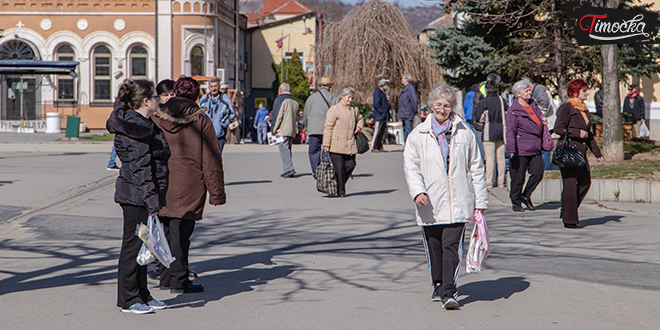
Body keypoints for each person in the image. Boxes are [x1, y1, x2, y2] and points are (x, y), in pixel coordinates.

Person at [403, 85, 488, 310]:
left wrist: (481, 202)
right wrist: (417, 191)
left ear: (452, 108)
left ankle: (449, 291)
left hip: (459, 199)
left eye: (447, 105)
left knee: (452, 246)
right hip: (429, 201)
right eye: (438, 104)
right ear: (431, 106)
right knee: (435, 246)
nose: (442, 108)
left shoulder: (465, 131)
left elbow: (476, 167)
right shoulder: (417, 134)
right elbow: (411, 167)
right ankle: (438, 282)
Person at [152, 83, 226, 294]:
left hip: (161, 182)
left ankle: (166, 277)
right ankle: (179, 280)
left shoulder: (157, 117)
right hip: (190, 184)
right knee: (181, 235)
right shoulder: (201, 119)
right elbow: (211, 158)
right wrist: (217, 193)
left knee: (165, 231)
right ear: (196, 96)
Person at [106, 79, 169, 314]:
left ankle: (142, 293)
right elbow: (141, 168)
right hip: (135, 195)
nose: (159, 100)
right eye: (156, 96)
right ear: (146, 101)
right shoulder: (136, 128)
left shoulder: (141, 124)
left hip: (140, 194)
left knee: (145, 245)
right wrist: (152, 201)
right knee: (133, 247)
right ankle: (129, 299)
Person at [553, 78, 603, 229]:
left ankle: (567, 208)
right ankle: (570, 219)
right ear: (575, 92)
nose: (587, 93)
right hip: (568, 151)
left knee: (585, 182)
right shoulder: (566, 108)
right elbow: (558, 129)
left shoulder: (584, 110)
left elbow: (589, 134)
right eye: (584, 91)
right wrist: (576, 133)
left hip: (581, 152)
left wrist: (597, 153)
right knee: (569, 184)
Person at [506, 78, 547, 212]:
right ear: (518, 93)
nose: (530, 92)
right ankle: (516, 201)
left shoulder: (533, 105)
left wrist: (543, 120)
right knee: (518, 177)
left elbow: (537, 120)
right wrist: (511, 148)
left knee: (538, 172)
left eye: (530, 90)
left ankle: (525, 195)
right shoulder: (514, 110)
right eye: (526, 90)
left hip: (535, 146)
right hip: (520, 148)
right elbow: (510, 131)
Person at [322, 87, 364, 197]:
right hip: (336, 145)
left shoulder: (354, 110)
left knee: (351, 165)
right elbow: (328, 127)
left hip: (350, 144)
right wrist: (326, 144)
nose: (350, 100)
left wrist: (359, 127)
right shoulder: (334, 109)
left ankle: (337, 184)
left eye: (352, 98)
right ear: (342, 96)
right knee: (339, 168)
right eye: (348, 97)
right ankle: (341, 191)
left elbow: (360, 118)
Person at [473, 73, 507, 188]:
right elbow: (506, 114)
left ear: (486, 89)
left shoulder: (483, 102)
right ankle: (501, 182)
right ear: (497, 88)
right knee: (501, 159)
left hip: (488, 132)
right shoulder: (501, 100)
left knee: (490, 158)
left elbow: (478, 118)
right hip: (501, 132)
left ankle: (489, 182)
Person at [303, 76, 339, 177]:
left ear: (319, 87)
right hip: (328, 128)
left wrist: (306, 127)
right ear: (330, 87)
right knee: (328, 149)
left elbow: (306, 114)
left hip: (313, 127)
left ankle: (316, 171)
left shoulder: (311, 98)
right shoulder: (333, 98)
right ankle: (327, 169)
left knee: (314, 150)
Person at [200, 78, 234, 154]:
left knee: (217, 158)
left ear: (219, 87)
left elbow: (231, 113)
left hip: (219, 134)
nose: (213, 88)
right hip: (206, 134)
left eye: (215, 86)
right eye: (211, 86)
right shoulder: (204, 99)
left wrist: (223, 124)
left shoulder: (224, 98)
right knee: (206, 158)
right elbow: (199, 114)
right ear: (209, 88)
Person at [272, 83, 299, 178]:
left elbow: (277, 116)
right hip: (291, 129)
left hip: (282, 129)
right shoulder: (295, 102)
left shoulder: (279, 100)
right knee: (288, 149)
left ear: (280, 90)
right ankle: (288, 169)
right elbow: (296, 118)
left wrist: (273, 129)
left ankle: (289, 169)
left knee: (284, 149)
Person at [371, 77, 389, 152]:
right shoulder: (377, 92)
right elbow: (376, 104)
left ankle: (379, 146)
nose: (386, 85)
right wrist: (381, 111)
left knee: (381, 132)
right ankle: (374, 146)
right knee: (377, 131)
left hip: (383, 116)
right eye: (385, 84)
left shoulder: (382, 93)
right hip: (379, 116)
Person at [398, 74, 419, 142]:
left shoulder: (410, 88)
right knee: (404, 130)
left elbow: (414, 99)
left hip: (408, 113)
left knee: (408, 130)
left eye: (403, 78)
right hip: (403, 113)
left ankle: (410, 145)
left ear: (407, 79)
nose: (402, 79)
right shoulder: (404, 88)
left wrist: (414, 110)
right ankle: (406, 144)